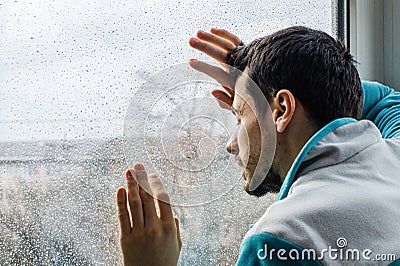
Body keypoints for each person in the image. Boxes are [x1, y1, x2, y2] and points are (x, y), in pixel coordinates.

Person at [116, 26, 400, 265]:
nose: (230, 145)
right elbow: (389, 100)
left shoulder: (279, 241)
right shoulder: (394, 157)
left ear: (282, 110)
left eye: (239, 116)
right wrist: (304, 82)